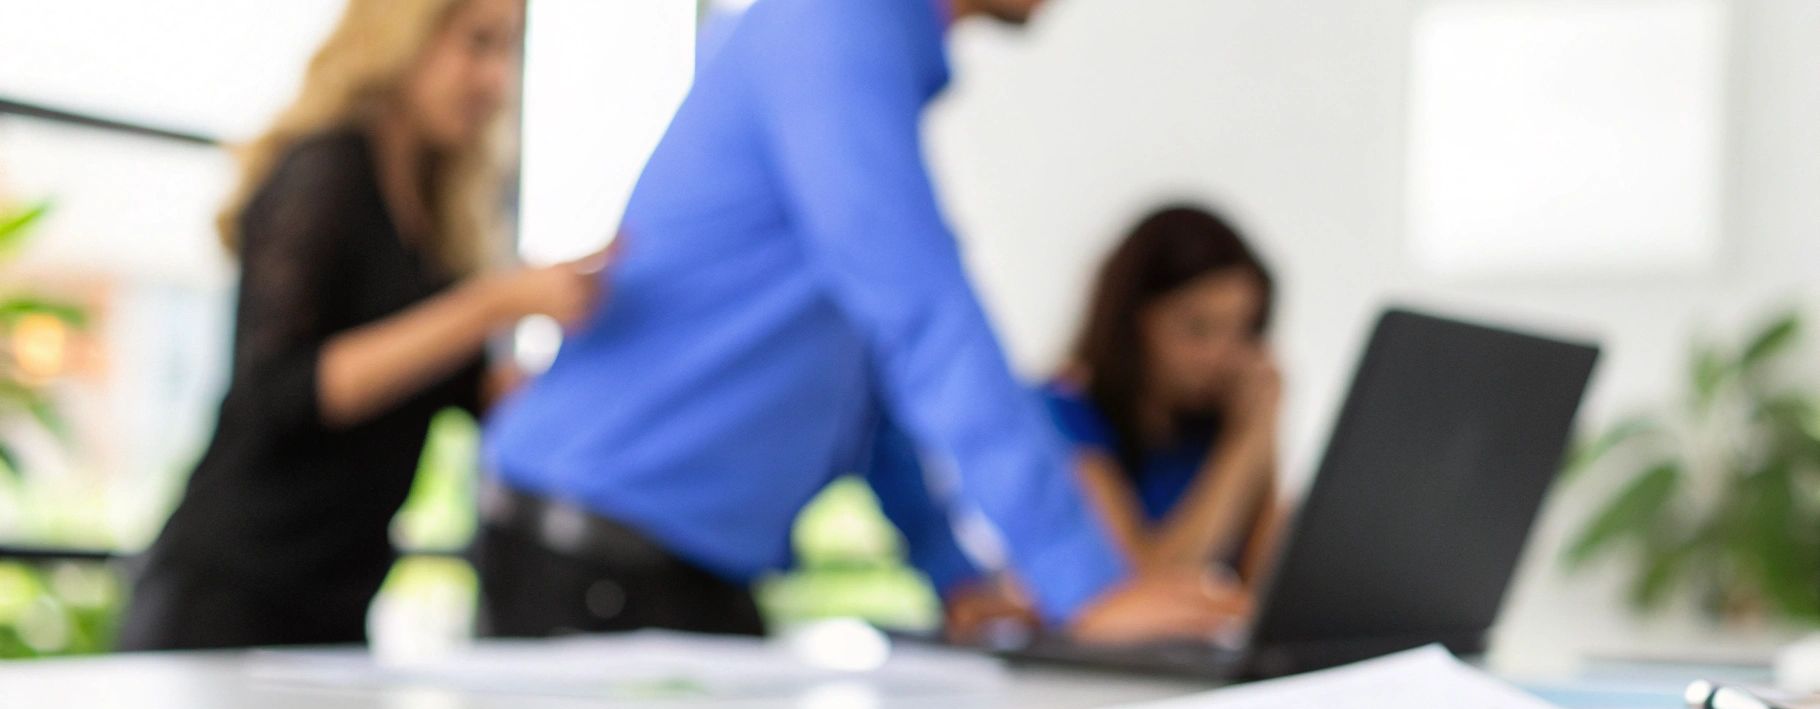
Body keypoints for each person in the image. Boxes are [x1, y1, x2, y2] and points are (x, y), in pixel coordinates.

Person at [481, 0, 1239, 644]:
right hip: (590, 560)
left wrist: (952, 574)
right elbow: (924, 314)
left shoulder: (856, 43)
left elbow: (862, 375)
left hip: (676, 570)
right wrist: (1088, 586)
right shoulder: (834, 19)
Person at [118, 0, 604, 651]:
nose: (496, 79)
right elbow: (290, 389)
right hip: (230, 598)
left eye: (507, 51)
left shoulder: (436, 216)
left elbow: (469, 393)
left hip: (336, 604)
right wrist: (494, 303)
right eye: (477, 44)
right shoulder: (328, 169)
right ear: (402, 35)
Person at [1043, 205, 1282, 580]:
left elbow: (1267, 585)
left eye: (1243, 329)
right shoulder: (1064, 414)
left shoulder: (1221, 418)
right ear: (1133, 322)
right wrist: (1244, 443)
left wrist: (1262, 437)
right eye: (1199, 328)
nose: (1224, 356)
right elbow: (1143, 586)